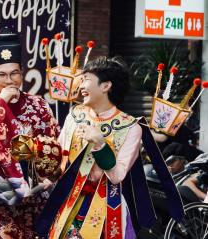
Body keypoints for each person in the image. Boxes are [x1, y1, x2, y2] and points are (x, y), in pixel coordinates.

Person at [36, 57, 184, 239]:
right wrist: (42, 167)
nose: (80, 85)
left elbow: (117, 175)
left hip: (107, 206)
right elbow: (60, 157)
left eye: (86, 80)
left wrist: (100, 144)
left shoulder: (130, 127)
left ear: (106, 86)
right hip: (69, 202)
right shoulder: (75, 115)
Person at [0, 33, 61, 238]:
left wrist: (45, 177)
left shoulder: (38, 104)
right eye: (1, 75)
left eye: (15, 73)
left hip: (35, 196)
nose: (9, 80)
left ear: (22, 74)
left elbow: (53, 143)